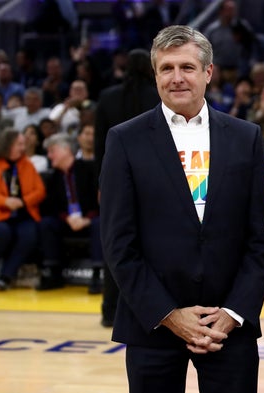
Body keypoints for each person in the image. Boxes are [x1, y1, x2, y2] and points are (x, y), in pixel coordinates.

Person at [99, 25, 264, 393]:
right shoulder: (125, 139)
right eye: (167, 68)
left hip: (226, 325)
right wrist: (169, 314)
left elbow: (258, 241)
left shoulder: (246, 137)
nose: (177, 77)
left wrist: (233, 312)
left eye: (187, 67)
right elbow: (118, 244)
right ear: (155, 75)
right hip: (153, 323)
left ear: (208, 72)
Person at [95, 48, 160, 327]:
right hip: (155, 181)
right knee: (152, 247)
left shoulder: (107, 97)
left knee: (117, 245)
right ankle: (153, 308)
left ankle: (110, 310)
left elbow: (100, 147)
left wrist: (102, 183)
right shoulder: (157, 98)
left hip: (115, 179)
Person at [36, 133, 102, 292]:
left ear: (66, 150)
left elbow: (101, 200)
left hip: (90, 219)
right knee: (47, 223)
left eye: (53, 150)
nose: (49, 155)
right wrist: (67, 218)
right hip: (67, 222)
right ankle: (53, 272)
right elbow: (50, 207)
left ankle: (98, 274)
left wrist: (87, 219)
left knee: (99, 223)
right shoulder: (54, 177)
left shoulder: (89, 169)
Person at [0, 128, 45, 291]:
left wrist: (22, 201)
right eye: (19, 144)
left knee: (29, 235)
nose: (23, 147)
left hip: (23, 214)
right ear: (7, 145)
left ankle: (6, 276)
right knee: (1, 232)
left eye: (23, 144)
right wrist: (5, 201)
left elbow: (40, 191)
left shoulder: (27, 164)